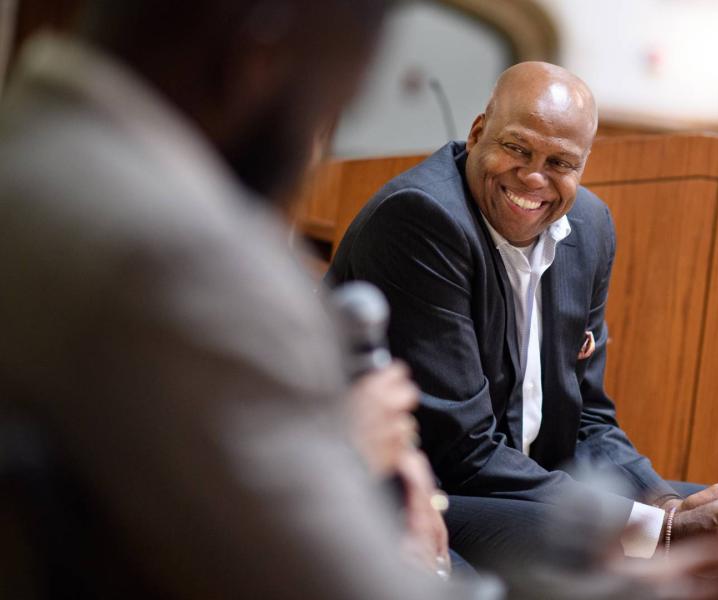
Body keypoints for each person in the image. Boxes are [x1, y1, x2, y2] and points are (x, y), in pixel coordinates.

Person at [0, 1, 485, 597]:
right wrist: (347, 459)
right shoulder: (183, 259)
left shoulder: (26, 144)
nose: (314, 157)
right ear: (259, 54)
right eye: (331, 106)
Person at [325, 61, 718, 570]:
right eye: (517, 148)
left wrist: (664, 503)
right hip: (417, 493)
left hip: (523, 488)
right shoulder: (422, 219)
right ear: (477, 133)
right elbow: (463, 452)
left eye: (561, 162)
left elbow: (589, 420)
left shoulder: (590, 226)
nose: (535, 176)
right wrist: (660, 530)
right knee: (621, 552)